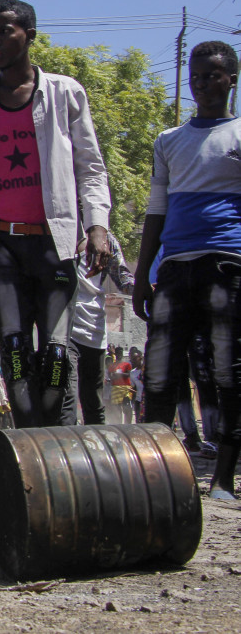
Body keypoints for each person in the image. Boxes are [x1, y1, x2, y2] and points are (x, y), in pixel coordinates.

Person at [0, 0, 112, 428]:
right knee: (15, 350)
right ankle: (27, 448)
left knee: (55, 354)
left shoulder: (64, 92)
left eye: (5, 32)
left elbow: (90, 165)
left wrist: (96, 226)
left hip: (53, 242)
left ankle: (55, 443)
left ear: (30, 35)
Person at [133, 40, 241, 499]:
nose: (202, 84)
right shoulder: (169, 141)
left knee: (228, 372)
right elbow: (157, 209)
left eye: (212, 75)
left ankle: (224, 478)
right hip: (175, 268)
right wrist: (142, 274)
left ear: (231, 79)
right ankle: (151, 477)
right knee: (159, 373)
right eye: (196, 76)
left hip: (227, 264)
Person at [66, 229, 134, 425]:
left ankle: (96, 447)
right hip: (64, 326)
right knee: (66, 393)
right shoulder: (55, 228)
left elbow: (123, 278)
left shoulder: (105, 238)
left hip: (94, 328)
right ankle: (66, 445)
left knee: (93, 398)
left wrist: (143, 289)